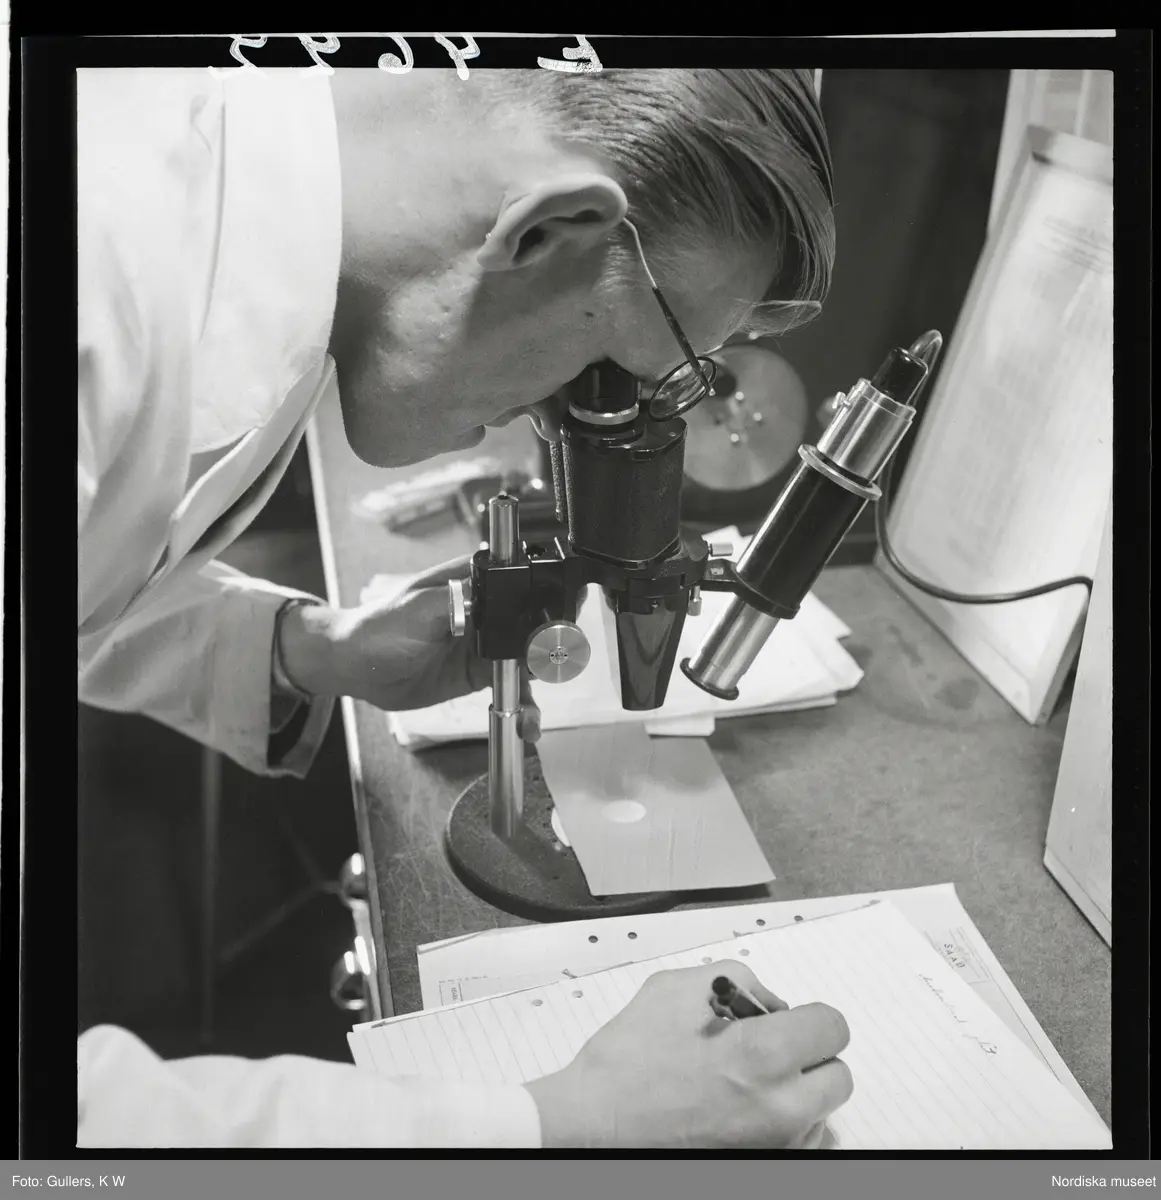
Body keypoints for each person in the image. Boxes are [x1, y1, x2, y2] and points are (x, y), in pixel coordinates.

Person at [77, 61, 850, 1148]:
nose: (570, 420)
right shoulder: (82, 273)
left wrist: (306, 648)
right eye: (631, 370)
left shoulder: (248, 245)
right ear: (550, 231)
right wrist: (563, 1124)